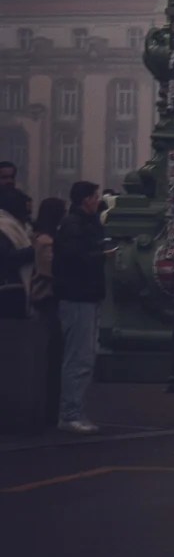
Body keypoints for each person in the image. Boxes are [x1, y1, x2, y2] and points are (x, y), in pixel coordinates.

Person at [54, 181, 111, 434]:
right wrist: (102, 255)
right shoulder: (74, 225)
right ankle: (70, 414)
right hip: (78, 296)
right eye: (95, 196)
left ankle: (74, 411)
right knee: (79, 358)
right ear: (85, 199)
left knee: (83, 356)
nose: (98, 200)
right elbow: (74, 259)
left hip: (84, 296)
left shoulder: (80, 223)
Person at [30, 198, 65, 427]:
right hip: (47, 299)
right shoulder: (45, 242)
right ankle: (49, 412)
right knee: (52, 354)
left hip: (47, 300)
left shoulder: (40, 238)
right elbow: (49, 270)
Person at [0, 189, 35, 319]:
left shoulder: (16, 225)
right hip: (8, 288)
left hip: (14, 287)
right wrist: (33, 251)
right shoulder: (4, 226)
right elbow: (6, 257)